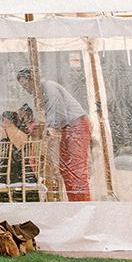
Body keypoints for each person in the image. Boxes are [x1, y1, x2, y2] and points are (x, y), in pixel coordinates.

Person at [18, 67, 91, 201]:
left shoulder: (49, 87)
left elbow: (58, 114)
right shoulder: (41, 92)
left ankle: (82, 204)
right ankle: (76, 203)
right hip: (66, 128)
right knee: (66, 169)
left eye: (26, 84)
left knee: (75, 169)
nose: (26, 89)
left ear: (33, 79)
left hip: (76, 125)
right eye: (23, 86)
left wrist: (48, 129)